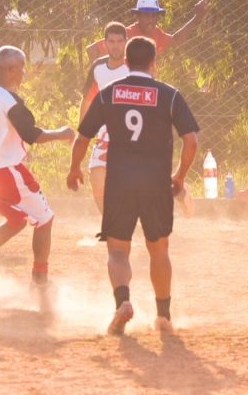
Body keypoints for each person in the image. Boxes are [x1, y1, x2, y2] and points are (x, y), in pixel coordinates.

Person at [68, 36, 200, 335]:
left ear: (126, 62)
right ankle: (163, 316)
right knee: (159, 251)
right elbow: (191, 141)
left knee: (117, 251)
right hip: (156, 185)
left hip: (120, 183)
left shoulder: (109, 92)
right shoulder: (169, 95)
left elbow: (82, 138)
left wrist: (74, 168)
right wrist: (178, 176)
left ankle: (123, 302)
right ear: (154, 63)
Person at [0, 46, 75, 305]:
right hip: (8, 173)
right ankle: (40, 282)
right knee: (44, 218)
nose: (23, 73)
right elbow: (32, 134)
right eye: (21, 68)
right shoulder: (8, 100)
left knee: (16, 220)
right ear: (11, 70)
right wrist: (63, 133)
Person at [80, 22, 195, 217]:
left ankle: (180, 192)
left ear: (126, 42)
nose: (116, 46)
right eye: (111, 41)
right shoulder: (98, 66)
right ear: (104, 43)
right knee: (97, 177)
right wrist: (82, 131)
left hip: (137, 128)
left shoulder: (135, 65)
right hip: (108, 130)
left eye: (120, 41)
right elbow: (88, 99)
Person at [85, 0, 210, 65]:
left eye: (154, 15)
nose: (151, 20)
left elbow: (176, 40)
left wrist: (197, 17)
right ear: (137, 16)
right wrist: (98, 77)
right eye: (146, 15)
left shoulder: (156, 32)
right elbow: (92, 50)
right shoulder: (126, 34)